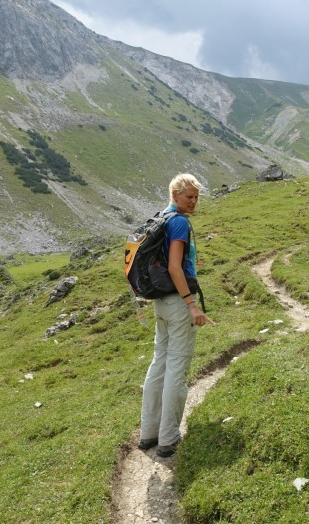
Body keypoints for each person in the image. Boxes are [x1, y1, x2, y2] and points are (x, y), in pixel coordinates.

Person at [138, 173, 215, 458]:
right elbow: (174, 267)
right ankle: (168, 438)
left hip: (160, 304)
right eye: (189, 197)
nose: (194, 202)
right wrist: (191, 304)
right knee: (176, 368)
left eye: (196, 197)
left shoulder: (162, 218)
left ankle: (148, 434)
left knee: (159, 364)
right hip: (178, 303)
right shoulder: (179, 222)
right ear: (175, 195)